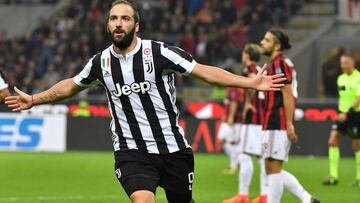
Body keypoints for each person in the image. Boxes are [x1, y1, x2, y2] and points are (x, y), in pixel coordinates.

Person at [5, 1, 286, 203]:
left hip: (173, 149)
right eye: (114, 18)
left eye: (125, 18)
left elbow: (204, 72)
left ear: (136, 25)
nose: (118, 23)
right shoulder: (101, 62)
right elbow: (72, 85)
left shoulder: (160, 52)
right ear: (107, 24)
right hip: (132, 151)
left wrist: (249, 82)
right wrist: (34, 99)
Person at [260, 28, 320, 203]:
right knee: (271, 167)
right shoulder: (277, 64)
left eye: (267, 40)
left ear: (277, 46)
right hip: (271, 121)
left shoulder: (280, 64)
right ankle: (307, 199)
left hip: (276, 121)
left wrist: (288, 123)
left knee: (273, 167)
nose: (262, 42)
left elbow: (287, 94)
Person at [222, 44, 267, 203]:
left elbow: (251, 83)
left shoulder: (250, 69)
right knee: (261, 157)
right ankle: (264, 195)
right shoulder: (262, 68)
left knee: (244, 155)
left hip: (251, 120)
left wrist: (247, 102)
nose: (242, 57)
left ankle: (243, 195)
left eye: (243, 53)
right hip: (262, 118)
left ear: (247, 55)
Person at [323, 54, 360, 187]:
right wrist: (341, 112)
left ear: (353, 63)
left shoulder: (359, 77)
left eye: (346, 63)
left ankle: (359, 177)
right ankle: (333, 176)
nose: (343, 65)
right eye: (342, 63)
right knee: (332, 140)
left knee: (357, 145)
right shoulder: (340, 78)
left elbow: (358, 98)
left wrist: (347, 112)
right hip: (342, 114)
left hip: (355, 115)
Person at [217, 70, 245, 175]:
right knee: (227, 141)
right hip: (232, 119)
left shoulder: (232, 87)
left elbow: (234, 102)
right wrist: (226, 115)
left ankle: (234, 165)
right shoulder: (231, 87)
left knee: (231, 142)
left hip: (235, 121)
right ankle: (236, 163)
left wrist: (231, 117)